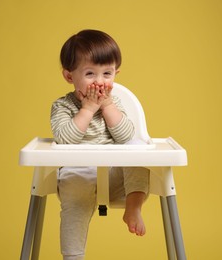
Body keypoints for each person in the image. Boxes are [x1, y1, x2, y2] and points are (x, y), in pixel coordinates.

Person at [51, 29, 150, 260]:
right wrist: (87, 109)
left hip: (116, 176)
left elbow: (125, 136)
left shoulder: (113, 103)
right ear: (69, 76)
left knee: (138, 149)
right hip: (78, 173)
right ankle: (73, 256)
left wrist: (107, 107)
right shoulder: (62, 107)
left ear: (116, 73)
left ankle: (133, 208)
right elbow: (65, 140)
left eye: (107, 73)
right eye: (90, 74)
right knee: (73, 202)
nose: (100, 82)